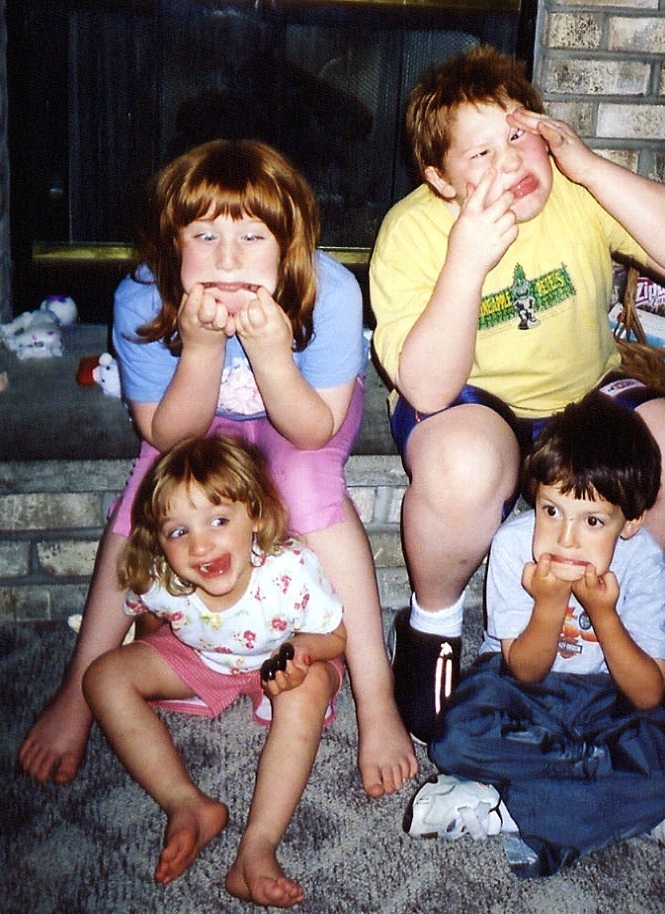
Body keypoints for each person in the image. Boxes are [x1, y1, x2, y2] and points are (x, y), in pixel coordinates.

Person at [19, 139, 416, 797]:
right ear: (172, 242)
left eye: (252, 237)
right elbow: (167, 435)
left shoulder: (330, 290)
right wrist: (202, 349)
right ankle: (77, 687)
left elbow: (313, 427)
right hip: (191, 416)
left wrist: (273, 357)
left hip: (304, 407)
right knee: (154, 489)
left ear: (287, 244)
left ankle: (378, 698)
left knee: (306, 485)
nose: (228, 259)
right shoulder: (142, 298)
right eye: (204, 236)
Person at [369, 46, 665, 743]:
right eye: (479, 155)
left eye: (517, 134)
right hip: (470, 400)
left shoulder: (573, 189)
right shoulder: (412, 230)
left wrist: (591, 168)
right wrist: (468, 259)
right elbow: (427, 386)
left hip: (582, 392)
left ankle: (614, 619)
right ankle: (431, 625)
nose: (510, 163)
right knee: (462, 469)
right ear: (440, 179)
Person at [404, 392, 665, 878]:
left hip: (607, 699)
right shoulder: (514, 545)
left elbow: (647, 692)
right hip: (520, 694)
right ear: (537, 495)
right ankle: (620, 800)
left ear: (631, 521)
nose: (566, 538)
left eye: (592, 521)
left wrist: (604, 615)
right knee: (456, 738)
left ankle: (505, 809)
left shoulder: (644, 560)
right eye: (552, 511)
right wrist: (549, 605)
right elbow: (523, 670)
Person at [83, 434, 346, 906]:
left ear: (255, 515)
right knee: (102, 677)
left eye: (219, 520)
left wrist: (302, 653)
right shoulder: (162, 579)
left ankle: (257, 847)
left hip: (283, 660)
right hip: (203, 658)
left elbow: (336, 635)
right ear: (158, 541)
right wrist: (145, 655)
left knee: (308, 692)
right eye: (178, 532)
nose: (201, 545)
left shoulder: (291, 570)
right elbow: (146, 617)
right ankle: (186, 804)